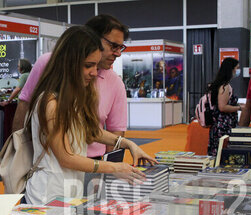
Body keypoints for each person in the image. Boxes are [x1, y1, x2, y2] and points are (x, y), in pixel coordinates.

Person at [24, 26, 156, 205]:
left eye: (95, 64)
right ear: (69, 63)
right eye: (88, 65)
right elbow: (66, 157)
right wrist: (113, 168)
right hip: (47, 196)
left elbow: (89, 131)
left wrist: (128, 143)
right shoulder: (50, 102)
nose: (94, 72)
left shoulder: (72, 98)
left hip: (68, 192)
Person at [12, 14, 129, 159]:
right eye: (114, 46)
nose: (118, 53)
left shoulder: (115, 82)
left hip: (91, 162)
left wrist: (111, 169)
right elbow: (25, 105)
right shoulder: (47, 64)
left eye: (121, 47)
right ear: (92, 38)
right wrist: (18, 152)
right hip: (47, 163)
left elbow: (108, 131)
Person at [207, 57, 243, 156]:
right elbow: (222, 107)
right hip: (223, 126)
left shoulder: (219, 84)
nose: (237, 70)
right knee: (223, 153)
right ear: (231, 69)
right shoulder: (225, 86)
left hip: (219, 125)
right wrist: (239, 108)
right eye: (236, 68)